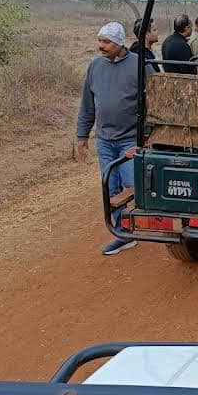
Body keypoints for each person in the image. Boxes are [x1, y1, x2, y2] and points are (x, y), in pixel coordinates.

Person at [76, 22, 147, 257]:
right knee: (111, 188)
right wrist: (82, 134)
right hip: (105, 140)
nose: (101, 46)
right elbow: (88, 103)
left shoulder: (139, 65)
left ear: (119, 43)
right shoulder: (95, 66)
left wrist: (147, 138)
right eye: (99, 41)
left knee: (130, 187)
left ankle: (130, 228)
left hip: (131, 139)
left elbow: (154, 102)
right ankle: (122, 234)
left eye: (106, 42)